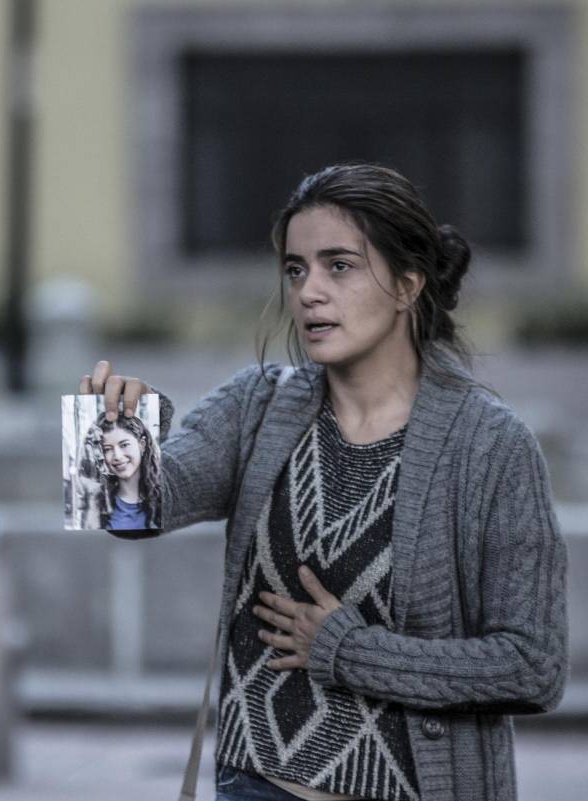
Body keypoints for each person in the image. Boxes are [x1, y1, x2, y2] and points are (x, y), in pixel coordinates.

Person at [80, 163, 567, 801]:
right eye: (295, 269)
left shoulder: (491, 446)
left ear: (407, 285)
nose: (309, 291)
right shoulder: (258, 406)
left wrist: (348, 650)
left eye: (339, 266)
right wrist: (111, 430)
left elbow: (533, 667)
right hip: (254, 785)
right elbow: (134, 513)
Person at [75, 410, 161, 531]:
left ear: (142, 444)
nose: (117, 456)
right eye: (107, 449)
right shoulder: (100, 502)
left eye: (124, 445)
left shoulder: (163, 497)